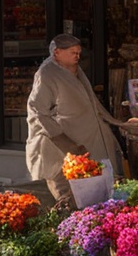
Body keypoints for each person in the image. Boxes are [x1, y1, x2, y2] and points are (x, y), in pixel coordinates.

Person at [26, 34, 137, 208]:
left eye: (78, 52)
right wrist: (64, 141)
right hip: (65, 146)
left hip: (89, 140)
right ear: (57, 52)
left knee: (102, 190)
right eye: (72, 53)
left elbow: (91, 104)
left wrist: (118, 123)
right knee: (69, 196)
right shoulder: (47, 74)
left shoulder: (74, 69)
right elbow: (38, 112)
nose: (77, 56)